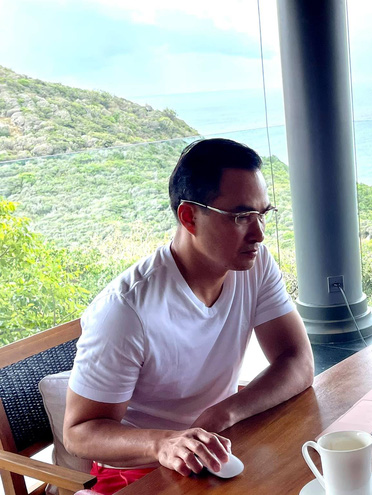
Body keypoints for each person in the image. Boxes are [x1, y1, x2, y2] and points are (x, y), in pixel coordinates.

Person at [63, 138, 315, 494]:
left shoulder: (255, 265)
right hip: (143, 473)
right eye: (241, 217)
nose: (258, 234)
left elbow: (298, 362)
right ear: (189, 217)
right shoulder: (125, 310)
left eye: (263, 214)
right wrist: (164, 443)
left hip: (220, 447)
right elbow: (78, 433)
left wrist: (225, 412)